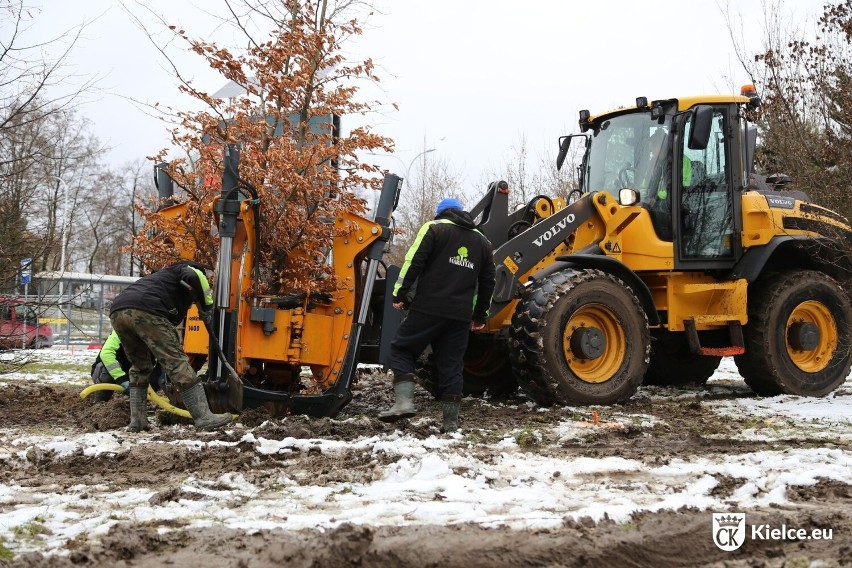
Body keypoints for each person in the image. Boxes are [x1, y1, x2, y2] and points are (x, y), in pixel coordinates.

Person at [379, 197, 496, 433]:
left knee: (402, 349)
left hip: (428, 308)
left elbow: (414, 262)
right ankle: (451, 425)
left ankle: (404, 402)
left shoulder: (434, 229)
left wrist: (399, 293)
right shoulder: (482, 242)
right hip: (460, 316)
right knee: (452, 366)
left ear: (441, 214)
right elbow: (488, 282)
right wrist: (480, 315)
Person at [109, 261, 230, 432]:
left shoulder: (159, 278)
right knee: (177, 363)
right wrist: (207, 308)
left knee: (140, 367)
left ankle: (138, 421)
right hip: (148, 310)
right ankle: (204, 417)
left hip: (118, 311)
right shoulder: (187, 269)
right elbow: (194, 276)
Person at [89, 330, 165, 402]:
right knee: (107, 369)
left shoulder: (158, 334)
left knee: (162, 370)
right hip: (109, 373)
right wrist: (122, 380)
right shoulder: (121, 328)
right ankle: (99, 404)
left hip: (135, 374)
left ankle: (138, 405)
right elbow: (106, 354)